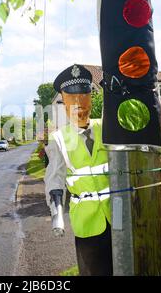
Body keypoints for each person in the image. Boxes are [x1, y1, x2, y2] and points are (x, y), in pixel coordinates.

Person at [44, 64, 113, 276]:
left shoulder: (107, 128)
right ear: (64, 103)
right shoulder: (58, 139)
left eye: (84, 97)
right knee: (94, 271)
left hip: (117, 213)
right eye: (72, 100)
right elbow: (55, 180)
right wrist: (57, 214)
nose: (79, 105)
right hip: (86, 219)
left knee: (125, 266)